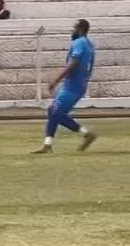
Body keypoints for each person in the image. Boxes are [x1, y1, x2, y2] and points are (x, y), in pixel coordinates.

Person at [33, 19, 98, 154]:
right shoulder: (90, 45)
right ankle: (47, 144)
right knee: (52, 111)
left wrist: (56, 80)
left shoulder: (79, 42)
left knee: (57, 113)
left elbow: (73, 64)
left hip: (72, 86)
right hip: (78, 85)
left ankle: (86, 134)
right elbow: (89, 67)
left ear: (80, 29)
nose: (72, 31)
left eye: (74, 28)